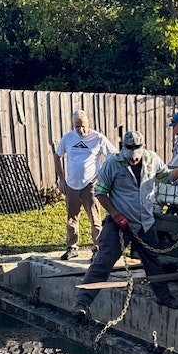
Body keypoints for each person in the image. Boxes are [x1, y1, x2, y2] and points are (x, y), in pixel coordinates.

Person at [73, 130, 178, 316]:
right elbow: (100, 192)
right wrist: (115, 214)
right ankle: (81, 304)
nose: (133, 161)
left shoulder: (152, 159)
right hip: (118, 223)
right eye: (130, 158)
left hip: (145, 223)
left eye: (136, 158)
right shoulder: (113, 163)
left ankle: (164, 297)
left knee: (153, 263)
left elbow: (166, 177)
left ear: (143, 148)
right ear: (124, 151)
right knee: (102, 263)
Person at [54, 110, 116, 261]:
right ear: (73, 126)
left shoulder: (98, 138)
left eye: (83, 126)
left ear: (88, 124)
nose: (80, 130)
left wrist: (100, 175)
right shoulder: (68, 138)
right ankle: (72, 247)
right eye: (77, 127)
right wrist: (62, 179)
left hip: (90, 185)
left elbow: (113, 156)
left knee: (95, 219)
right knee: (71, 219)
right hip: (71, 185)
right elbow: (57, 156)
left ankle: (97, 249)